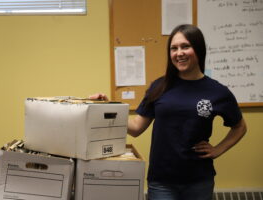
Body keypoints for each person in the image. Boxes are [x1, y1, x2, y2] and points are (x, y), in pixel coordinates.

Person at [90, 24, 247, 200]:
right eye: (174, 48)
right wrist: (105, 106)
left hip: (199, 180)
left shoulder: (217, 92)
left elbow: (240, 126)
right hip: (162, 181)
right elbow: (135, 128)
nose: (179, 53)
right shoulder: (159, 86)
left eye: (185, 46)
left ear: (199, 49)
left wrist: (218, 149)